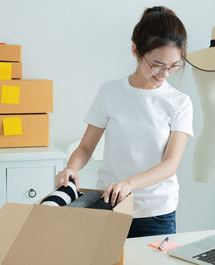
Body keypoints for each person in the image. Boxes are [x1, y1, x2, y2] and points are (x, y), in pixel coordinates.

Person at [55, 6, 193, 238]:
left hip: (156, 212)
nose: (164, 73)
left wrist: (129, 184)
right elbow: (86, 147)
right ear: (135, 51)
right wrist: (71, 168)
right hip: (110, 206)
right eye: (156, 64)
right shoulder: (110, 92)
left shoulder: (179, 103)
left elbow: (170, 164)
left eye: (173, 66)